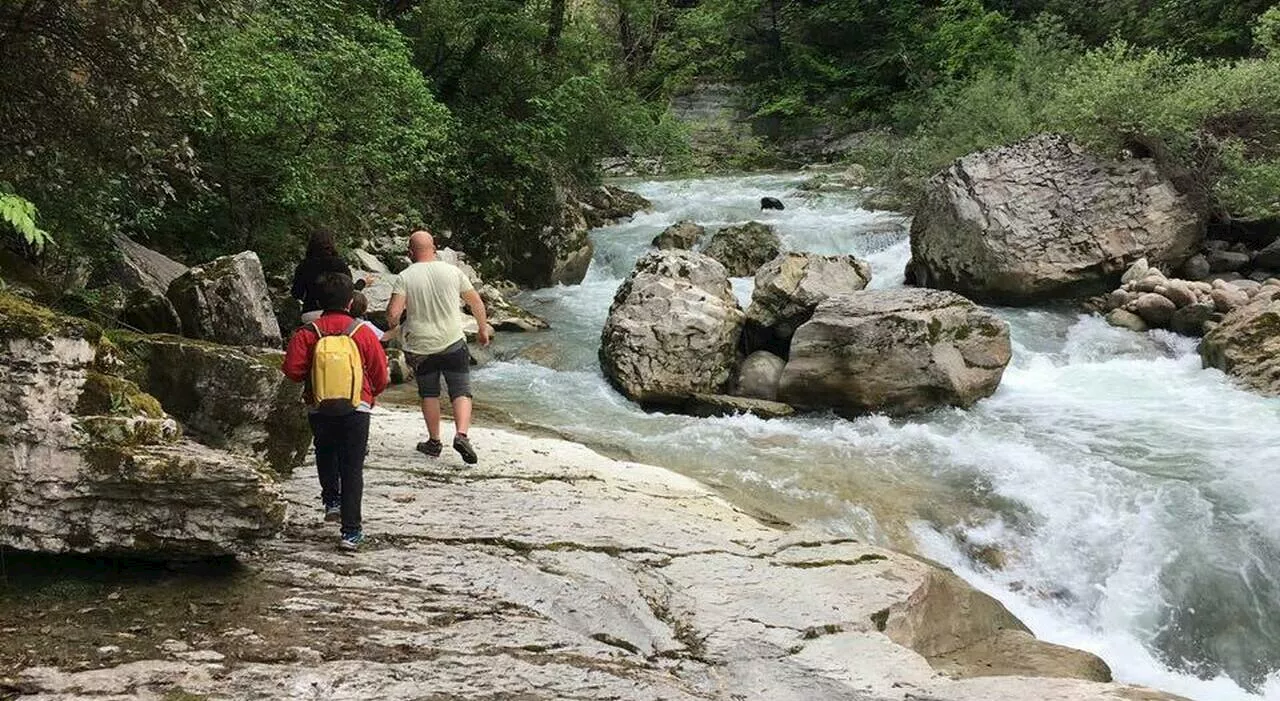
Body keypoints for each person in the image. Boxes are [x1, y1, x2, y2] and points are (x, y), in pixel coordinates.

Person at [282, 272, 389, 550]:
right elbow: (380, 375)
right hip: (357, 406)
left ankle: (331, 501)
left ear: (319, 301)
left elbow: (292, 371)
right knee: (352, 467)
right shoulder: (362, 332)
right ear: (350, 302)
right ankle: (351, 532)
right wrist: (370, 394)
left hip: (319, 405)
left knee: (325, 451)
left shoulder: (307, 333)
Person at [386, 230, 490, 464]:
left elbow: (393, 313)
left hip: (420, 345)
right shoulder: (453, 272)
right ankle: (462, 435)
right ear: (434, 248)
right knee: (461, 390)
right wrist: (482, 329)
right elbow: (475, 302)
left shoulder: (405, 276)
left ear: (410, 252)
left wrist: (394, 326)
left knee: (429, 393)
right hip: (452, 340)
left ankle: (434, 442)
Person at [291, 228, 361, 324]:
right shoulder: (340, 265)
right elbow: (350, 290)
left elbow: (296, 293)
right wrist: (362, 283)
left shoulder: (303, 266)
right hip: (338, 314)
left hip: (310, 313)